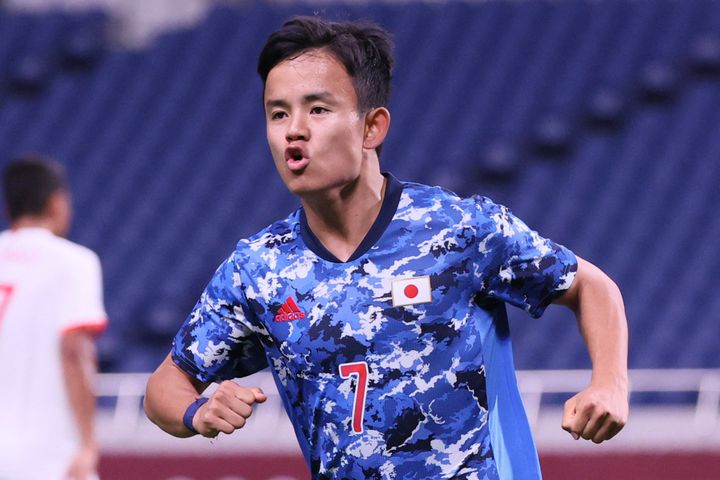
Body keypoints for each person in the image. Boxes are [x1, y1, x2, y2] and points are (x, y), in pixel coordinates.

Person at [144, 16, 629, 479]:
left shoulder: (457, 229)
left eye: (317, 109)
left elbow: (589, 286)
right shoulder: (257, 270)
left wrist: (610, 383)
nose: (294, 129)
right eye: (278, 113)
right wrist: (197, 411)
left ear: (372, 127)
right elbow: (164, 388)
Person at [0, 156, 107, 480]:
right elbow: (74, 350)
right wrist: (88, 443)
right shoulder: (74, 262)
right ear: (56, 203)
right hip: (45, 455)